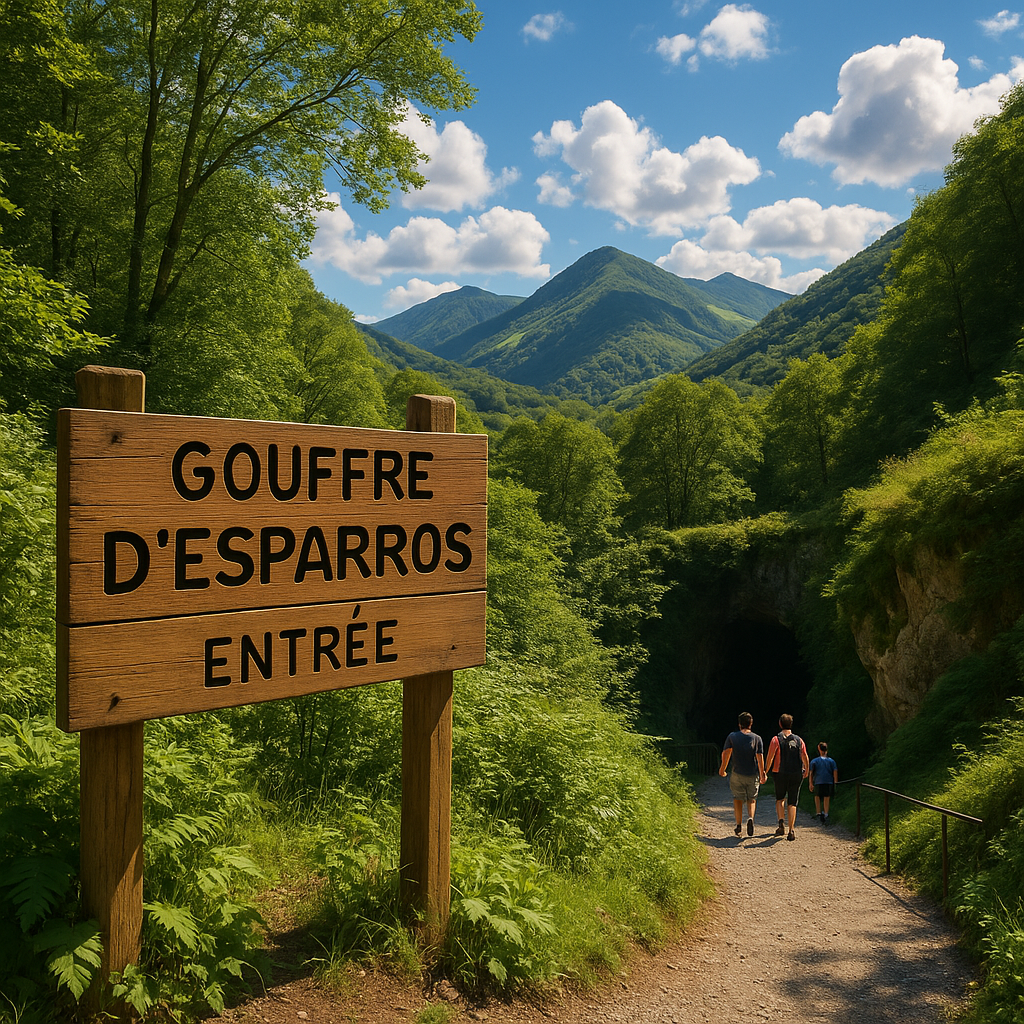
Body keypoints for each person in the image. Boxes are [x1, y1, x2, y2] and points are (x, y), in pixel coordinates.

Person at [719, 712, 768, 837]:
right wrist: (763, 773)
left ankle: (739, 825)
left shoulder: (732, 736)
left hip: (737, 773)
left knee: (738, 799)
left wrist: (722, 769)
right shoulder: (757, 738)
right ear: (751, 724)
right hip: (752, 773)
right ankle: (750, 818)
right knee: (752, 799)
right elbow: (760, 757)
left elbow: (726, 753)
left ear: (739, 724)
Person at [764, 713, 810, 841]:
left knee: (780, 799)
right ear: (791, 724)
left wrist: (765, 771)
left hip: (780, 773)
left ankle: (781, 824)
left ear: (780, 724)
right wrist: (807, 769)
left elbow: (770, 757)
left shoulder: (775, 739)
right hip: (796, 773)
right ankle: (791, 830)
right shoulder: (799, 740)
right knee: (793, 802)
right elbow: (805, 756)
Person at [809, 741, 839, 823]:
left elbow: (811, 773)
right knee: (827, 797)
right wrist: (836, 783)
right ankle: (826, 813)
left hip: (818, 781)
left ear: (819, 748)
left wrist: (810, 783)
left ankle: (818, 813)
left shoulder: (815, 761)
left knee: (817, 797)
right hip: (828, 781)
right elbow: (835, 771)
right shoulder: (831, 761)